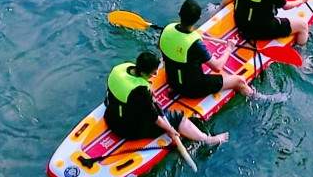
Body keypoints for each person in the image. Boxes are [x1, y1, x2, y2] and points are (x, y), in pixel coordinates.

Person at [96, 50, 227, 162]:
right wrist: (170, 130)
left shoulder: (120, 69)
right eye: (152, 73)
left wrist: (148, 95)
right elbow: (155, 118)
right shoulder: (140, 91)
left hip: (110, 116)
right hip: (128, 129)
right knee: (177, 117)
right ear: (143, 73)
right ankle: (207, 139)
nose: (155, 75)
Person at [160, 0, 256, 100]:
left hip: (171, 80)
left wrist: (192, 36)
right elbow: (217, 67)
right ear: (198, 18)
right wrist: (229, 48)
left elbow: (174, 46)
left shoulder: (167, 29)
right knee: (239, 81)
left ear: (180, 13)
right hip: (191, 89)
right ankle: (258, 98)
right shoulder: (195, 44)